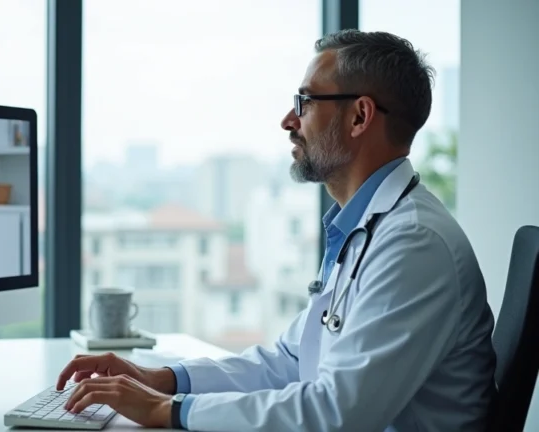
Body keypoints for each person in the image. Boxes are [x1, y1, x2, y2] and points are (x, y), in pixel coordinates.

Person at [54, 29, 497, 431]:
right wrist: (164, 380)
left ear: (359, 117)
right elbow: (289, 361)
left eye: (305, 102)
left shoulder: (413, 244)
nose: (289, 120)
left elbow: (337, 413)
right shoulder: (371, 228)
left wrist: (167, 411)